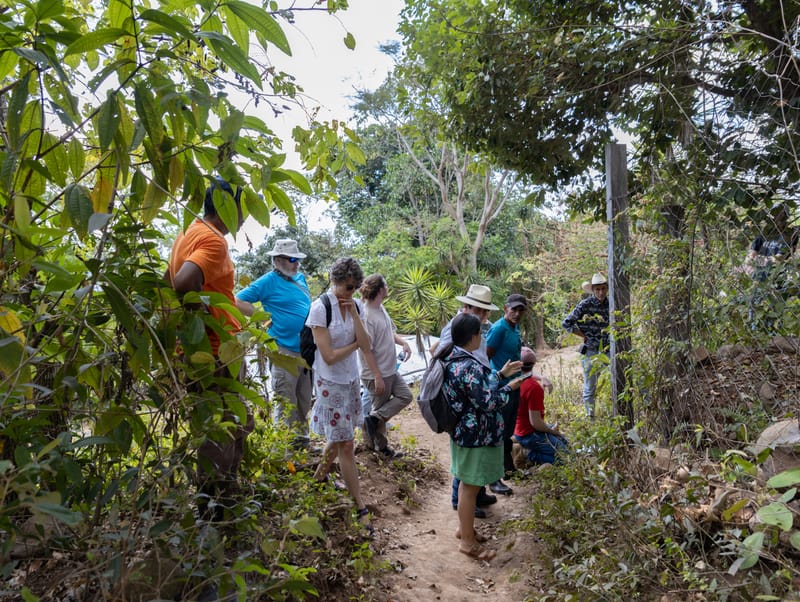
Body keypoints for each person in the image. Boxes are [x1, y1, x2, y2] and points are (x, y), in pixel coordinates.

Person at [166, 178, 255, 521]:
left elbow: (167, 278)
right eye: (241, 208)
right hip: (217, 354)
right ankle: (215, 510)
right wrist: (204, 329)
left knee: (229, 424)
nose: (244, 217)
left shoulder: (187, 234)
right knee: (222, 428)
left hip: (206, 352)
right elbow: (183, 282)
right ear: (226, 206)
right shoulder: (213, 242)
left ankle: (221, 499)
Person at [440, 313, 527, 562]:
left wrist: (500, 374)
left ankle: (464, 530)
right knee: (470, 486)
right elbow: (487, 401)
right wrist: (509, 388)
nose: (484, 337)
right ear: (474, 337)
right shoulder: (467, 366)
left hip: (465, 432)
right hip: (474, 434)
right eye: (481, 333)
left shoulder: (457, 358)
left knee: (469, 482)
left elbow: (480, 387)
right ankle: (467, 543)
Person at [308, 258, 383, 526]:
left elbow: (367, 344)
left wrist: (353, 313)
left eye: (354, 287)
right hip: (330, 383)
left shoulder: (357, 306)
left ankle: (318, 477)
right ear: (335, 282)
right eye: (346, 287)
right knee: (347, 444)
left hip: (350, 379)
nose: (350, 292)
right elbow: (328, 356)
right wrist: (353, 345)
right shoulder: (320, 308)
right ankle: (360, 507)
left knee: (341, 435)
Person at [236, 239, 313, 448]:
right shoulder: (267, 281)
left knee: (304, 398)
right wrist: (262, 316)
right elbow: (237, 300)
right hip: (282, 349)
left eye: (297, 259)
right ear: (277, 260)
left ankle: (301, 442)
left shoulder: (300, 278)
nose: (296, 263)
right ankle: (284, 448)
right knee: (285, 399)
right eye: (291, 259)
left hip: (305, 351)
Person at [434, 284, 501, 518]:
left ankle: (478, 494)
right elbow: (442, 357)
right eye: (478, 310)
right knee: (467, 459)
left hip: (478, 389)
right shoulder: (456, 328)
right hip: (466, 402)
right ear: (467, 307)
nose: (483, 316)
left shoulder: (480, 328)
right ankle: (461, 501)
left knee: (477, 457)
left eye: (485, 311)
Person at [358, 274, 413, 459]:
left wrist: (403, 342)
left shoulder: (380, 308)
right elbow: (367, 350)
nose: (388, 288)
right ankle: (378, 449)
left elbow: (389, 332)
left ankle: (372, 422)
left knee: (405, 396)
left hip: (389, 369)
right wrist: (376, 375)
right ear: (380, 290)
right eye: (386, 286)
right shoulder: (366, 316)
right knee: (379, 410)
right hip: (377, 373)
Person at [486, 293, 528, 494]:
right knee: (499, 431)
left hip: (515, 385)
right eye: (514, 309)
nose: (517, 313)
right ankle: (495, 476)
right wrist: (497, 378)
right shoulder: (498, 329)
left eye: (521, 310)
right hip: (501, 386)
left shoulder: (515, 327)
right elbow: (486, 357)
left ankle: (508, 469)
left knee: (509, 430)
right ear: (505, 309)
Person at [562, 273, 610, 420]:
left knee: (616, 378)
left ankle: (614, 413)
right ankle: (590, 417)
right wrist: (583, 335)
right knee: (590, 386)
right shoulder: (585, 305)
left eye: (603, 288)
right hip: (590, 350)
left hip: (608, 350)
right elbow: (566, 323)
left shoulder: (611, 303)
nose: (600, 292)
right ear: (593, 290)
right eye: (597, 289)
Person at [513, 347, 569, 465]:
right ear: (534, 364)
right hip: (529, 433)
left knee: (565, 442)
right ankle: (527, 453)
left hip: (519, 429)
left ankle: (526, 449)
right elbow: (536, 423)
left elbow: (528, 374)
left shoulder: (514, 380)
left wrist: (542, 377)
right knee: (566, 458)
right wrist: (551, 431)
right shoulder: (534, 388)